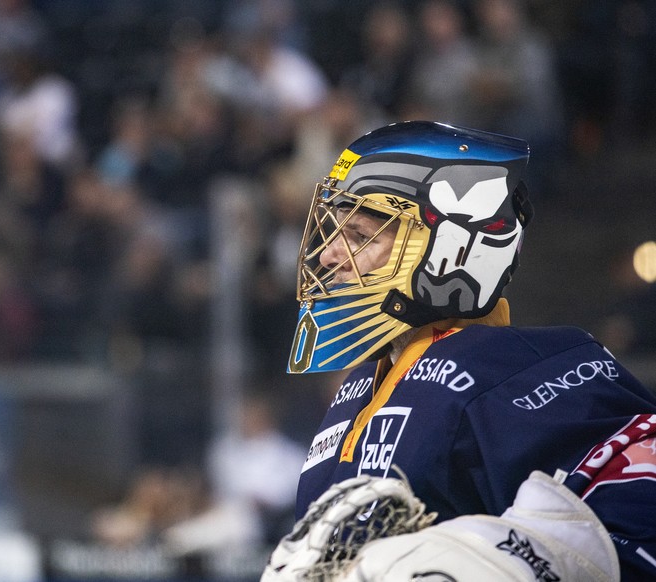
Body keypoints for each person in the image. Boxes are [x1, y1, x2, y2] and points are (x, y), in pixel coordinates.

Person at [264, 121, 656, 580]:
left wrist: (531, 561)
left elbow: (635, 528)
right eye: (334, 232)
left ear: (453, 243)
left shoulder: (530, 370)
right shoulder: (358, 388)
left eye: (360, 234)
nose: (329, 254)